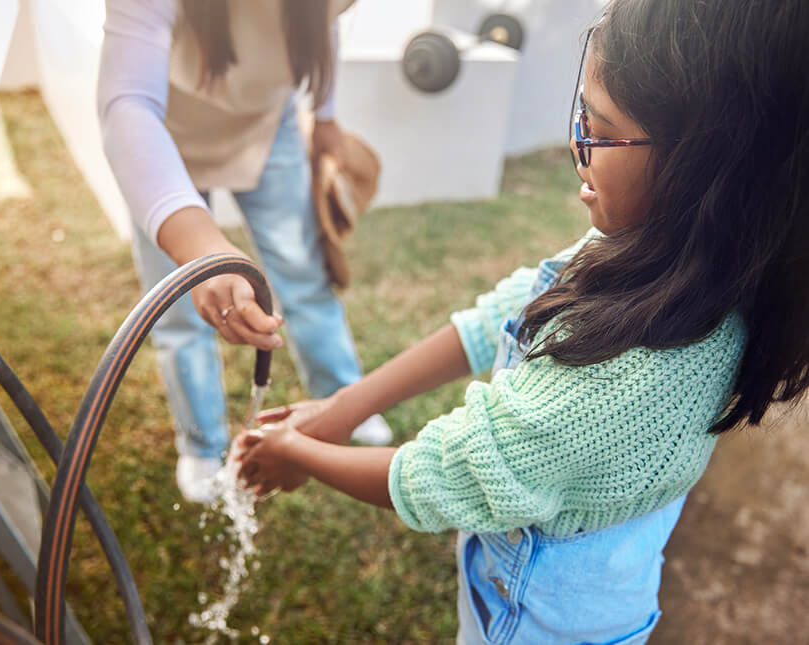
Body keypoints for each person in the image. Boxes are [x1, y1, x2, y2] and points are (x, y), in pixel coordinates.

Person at [231, 0, 809, 641]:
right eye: (580, 113)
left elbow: (443, 474)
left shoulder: (628, 381)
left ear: (711, 164)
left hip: (535, 624)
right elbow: (495, 318)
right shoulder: (673, 251)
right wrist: (339, 409)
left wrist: (301, 454)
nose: (576, 142)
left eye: (601, 128)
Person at [97, 0, 392, 503]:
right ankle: (202, 445)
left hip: (265, 127)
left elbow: (324, 27)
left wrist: (324, 117)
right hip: (163, 136)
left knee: (303, 274)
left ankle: (342, 402)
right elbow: (126, 104)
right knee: (177, 307)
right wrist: (201, 249)